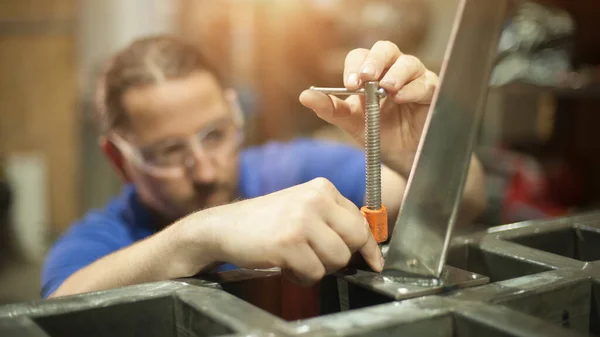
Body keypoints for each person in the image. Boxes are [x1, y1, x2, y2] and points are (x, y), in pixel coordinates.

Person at [41, 36, 486, 298]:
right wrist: (203, 233)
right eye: (168, 152)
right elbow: (55, 314)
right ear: (118, 159)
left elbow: (463, 202)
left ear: (236, 114)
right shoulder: (96, 241)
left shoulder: (293, 169)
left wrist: (419, 151)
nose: (205, 171)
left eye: (215, 134)